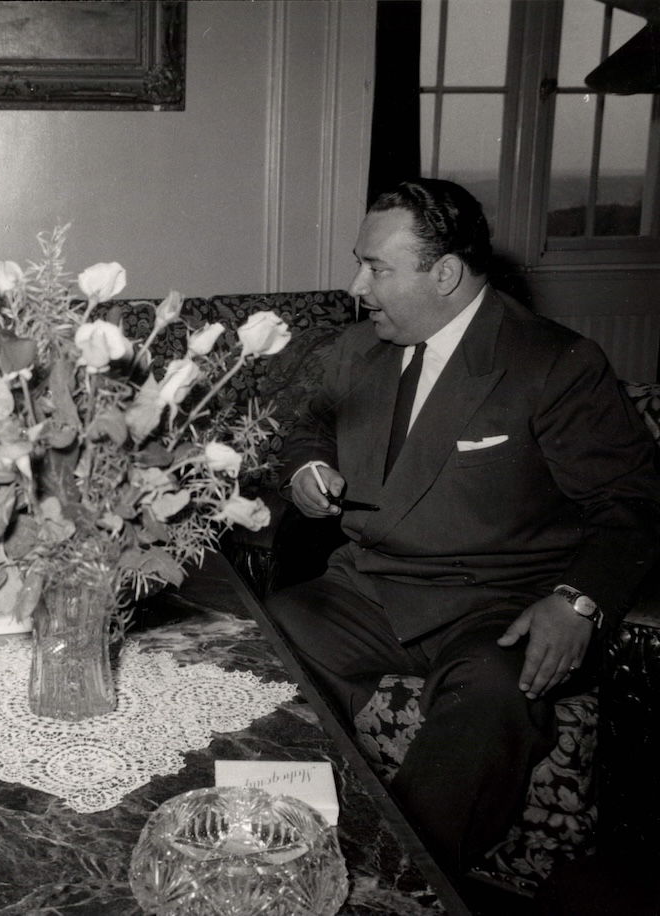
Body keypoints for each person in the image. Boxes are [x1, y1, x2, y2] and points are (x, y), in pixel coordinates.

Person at [261, 178, 660, 874]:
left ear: (444, 273)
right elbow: (309, 424)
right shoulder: (358, 351)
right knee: (260, 644)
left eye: (377, 267)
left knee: (496, 697)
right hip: (368, 591)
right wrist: (307, 469)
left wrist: (579, 601)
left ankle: (403, 882)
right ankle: (270, 850)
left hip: (498, 606)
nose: (357, 286)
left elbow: (632, 502)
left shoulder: (553, 362)